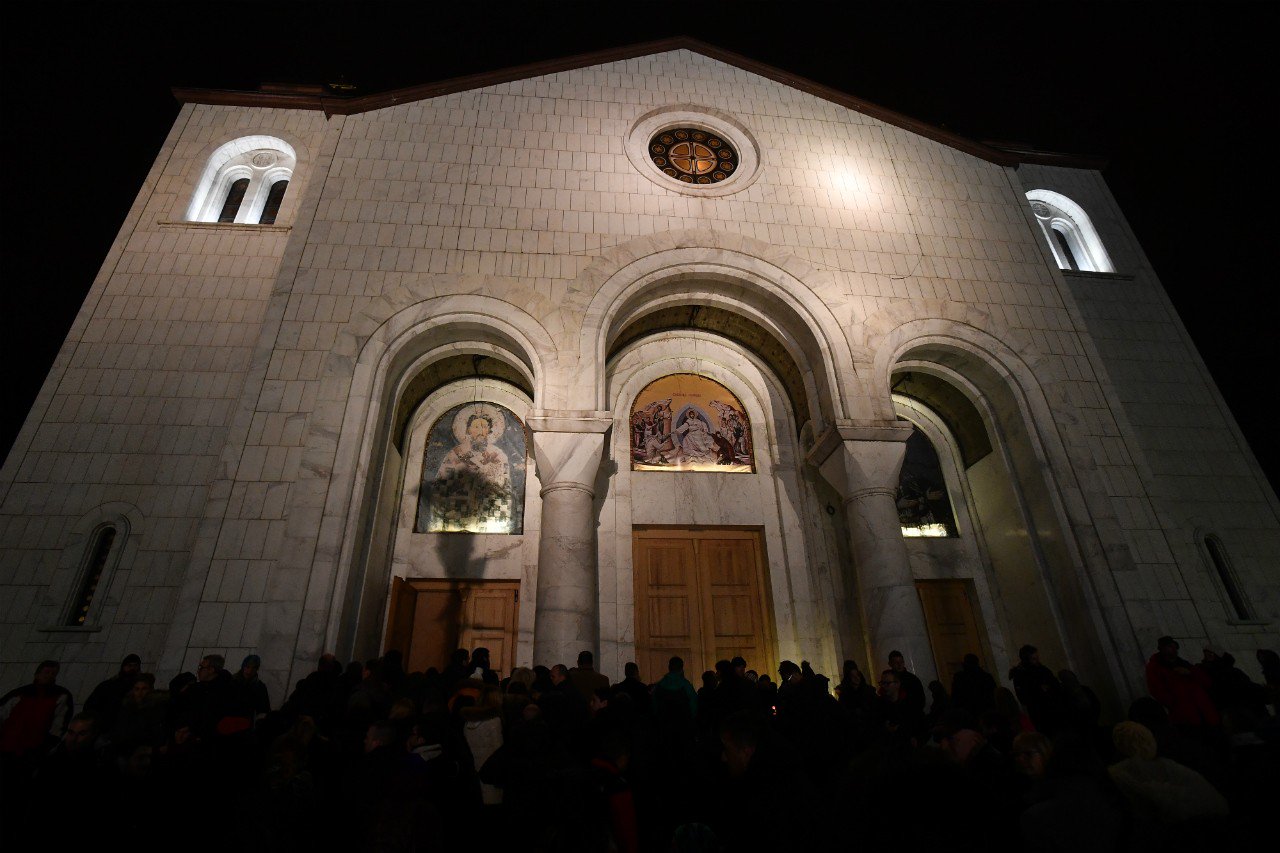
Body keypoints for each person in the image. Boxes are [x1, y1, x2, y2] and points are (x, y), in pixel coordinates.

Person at [0, 660, 74, 762]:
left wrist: (48, 746)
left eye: (53, 673)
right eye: (47, 672)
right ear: (37, 674)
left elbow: (59, 724)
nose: (49, 676)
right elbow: (3, 714)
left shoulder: (61, 696)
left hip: (34, 750)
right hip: (7, 746)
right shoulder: (20, 693)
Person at [1145, 636, 1219, 734]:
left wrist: (1190, 673)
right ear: (1162, 649)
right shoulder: (1155, 667)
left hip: (1203, 711)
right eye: (1169, 646)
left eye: (1174, 646)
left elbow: (1206, 682)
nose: (1173, 649)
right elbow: (1156, 689)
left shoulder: (1185, 664)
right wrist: (1175, 703)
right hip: (1185, 716)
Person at [1009, 644, 1065, 735]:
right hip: (1038, 713)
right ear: (1027, 660)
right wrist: (1039, 690)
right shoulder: (1020, 675)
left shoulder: (1042, 669)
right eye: (1034, 659)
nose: (1037, 661)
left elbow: (1054, 683)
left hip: (1053, 709)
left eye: (1037, 658)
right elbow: (1023, 697)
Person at [83, 653, 142, 732]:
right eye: (129, 665)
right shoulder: (107, 686)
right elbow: (91, 707)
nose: (132, 668)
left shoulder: (142, 688)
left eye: (135, 665)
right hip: (105, 730)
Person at [887, 650, 926, 715]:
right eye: (896, 662)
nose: (899, 665)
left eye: (901, 662)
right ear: (890, 664)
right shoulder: (888, 680)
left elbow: (920, 701)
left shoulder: (912, 679)